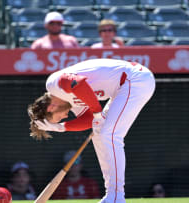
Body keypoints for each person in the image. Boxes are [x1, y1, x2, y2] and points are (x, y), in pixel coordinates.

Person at [27, 58, 156, 203]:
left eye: (59, 118)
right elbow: (89, 121)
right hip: (122, 87)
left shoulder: (54, 85)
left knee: (110, 134)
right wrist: (62, 127)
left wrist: (96, 113)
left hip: (135, 79)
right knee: (99, 134)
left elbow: (78, 82)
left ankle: (116, 197)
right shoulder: (69, 101)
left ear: (51, 108)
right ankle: (111, 194)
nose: (65, 117)